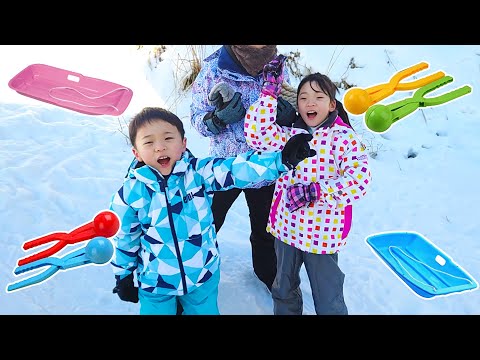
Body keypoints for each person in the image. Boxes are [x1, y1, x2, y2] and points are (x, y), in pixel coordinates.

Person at [109, 106, 315, 315]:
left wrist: (280, 160)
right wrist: (123, 274)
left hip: (202, 275)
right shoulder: (131, 194)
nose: (160, 147)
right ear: (137, 152)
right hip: (156, 284)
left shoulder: (198, 173)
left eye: (168, 138)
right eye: (149, 142)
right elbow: (125, 237)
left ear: (183, 144)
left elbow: (236, 168)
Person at [244, 55, 372, 315]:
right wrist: (269, 93)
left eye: (318, 97)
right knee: (283, 289)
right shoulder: (291, 135)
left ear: (332, 104)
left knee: (328, 297)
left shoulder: (344, 138)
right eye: (303, 97)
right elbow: (257, 135)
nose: (310, 103)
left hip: (322, 235)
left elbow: (359, 180)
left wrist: (316, 191)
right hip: (286, 229)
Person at [190, 45, 297, 293]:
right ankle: (191, 270)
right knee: (206, 223)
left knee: (265, 231)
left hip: (265, 167)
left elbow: (296, 104)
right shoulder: (214, 68)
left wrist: (288, 116)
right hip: (225, 168)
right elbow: (196, 116)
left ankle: (268, 274)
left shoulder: (277, 68)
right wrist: (216, 119)